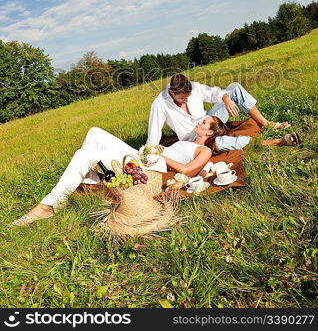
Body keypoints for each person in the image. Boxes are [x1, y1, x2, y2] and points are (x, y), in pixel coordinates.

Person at [13, 119, 299, 226]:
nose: (198, 122)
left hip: (151, 167)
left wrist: (162, 156)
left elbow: (187, 169)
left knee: (84, 154)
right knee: (94, 131)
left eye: (204, 123)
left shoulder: (205, 151)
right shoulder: (185, 140)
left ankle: (49, 205)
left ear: (211, 133)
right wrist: (158, 148)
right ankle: (92, 177)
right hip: (144, 157)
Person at [146, 73, 290, 147]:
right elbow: (153, 135)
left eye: (189, 97)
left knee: (234, 88)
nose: (187, 100)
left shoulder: (194, 87)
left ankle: (266, 124)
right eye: (183, 99)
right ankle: (274, 142)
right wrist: (149, 153)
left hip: (208, 121)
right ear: (172, 92)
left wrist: (226, 100)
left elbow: (215, 93)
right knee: (218, 143)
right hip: (195, 136)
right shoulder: (160, 104)